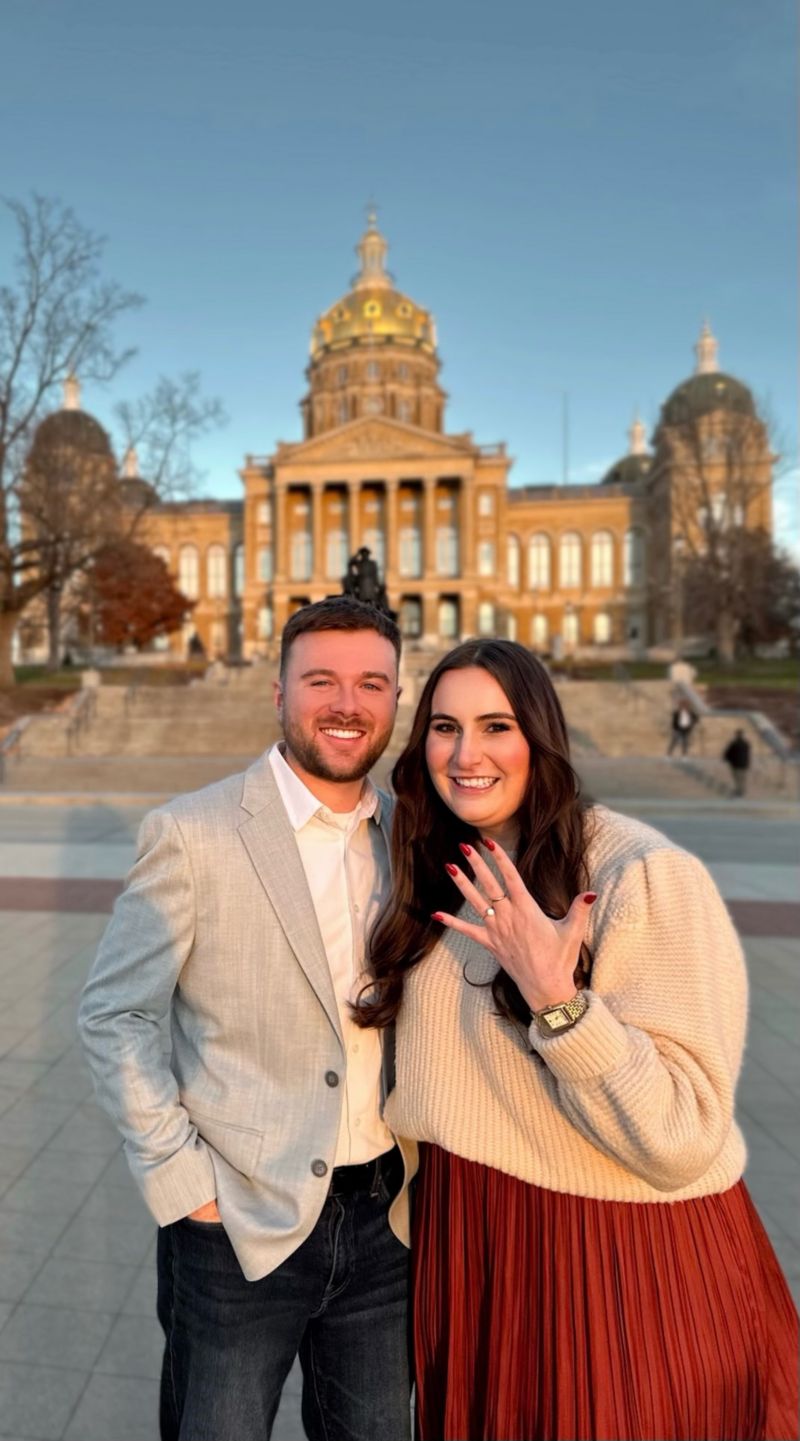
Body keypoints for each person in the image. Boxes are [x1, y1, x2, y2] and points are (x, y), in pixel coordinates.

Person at [356, 639, 798, 1441]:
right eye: (445, 727)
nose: (466, 754)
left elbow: (684, 1132)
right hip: (474, 1241)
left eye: (497, 726)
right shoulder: (439, 865)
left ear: (541, 734)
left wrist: (558, 1002)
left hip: (612, 1252)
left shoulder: (636, 872)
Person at [79, 596, 413, 1441]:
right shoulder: (194, 832)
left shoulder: (409, 836)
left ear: (397, 698)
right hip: (234, 1226)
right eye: (322, 680)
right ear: (279, 692)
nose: (347, 703)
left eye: (371, 683)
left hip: (385, 1225)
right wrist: (184, 1185)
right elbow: (115, 1012)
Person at [725, 728, 752, 797]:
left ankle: (739, 790)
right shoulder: (746, 744)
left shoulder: (734, 743)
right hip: (744, 764)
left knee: (737, 778)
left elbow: (728, 753)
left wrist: (728, 759)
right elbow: (747, 754)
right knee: (742, 778)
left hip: (736, 764)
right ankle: (742, 790)